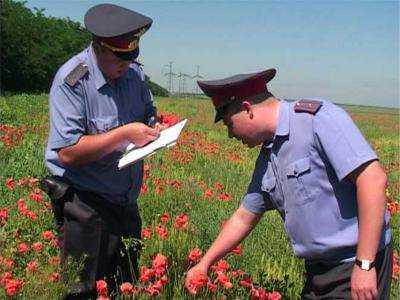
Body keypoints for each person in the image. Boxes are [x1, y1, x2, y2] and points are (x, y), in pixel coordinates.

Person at [186, 68, 392, 299]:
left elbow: (373, 180)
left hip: (356, 262)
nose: (230, 136)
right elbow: (245, 216)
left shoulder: (318, 121)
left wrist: (364, 265)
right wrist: (204, 264)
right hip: (319, 271)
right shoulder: (269, 156)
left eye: (228, 125)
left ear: (247, 109)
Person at [43, 4, 162, 299]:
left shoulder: (134, 76)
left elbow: (148, 112)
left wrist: (154, 124)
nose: (125, 64)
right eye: (118, 56)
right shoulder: (73, 81)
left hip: (124, 201)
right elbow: (67, 152)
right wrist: (124, 134)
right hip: (85, 203)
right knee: (82, 290)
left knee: (124, 284)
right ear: (98, 47)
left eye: (130, 56)